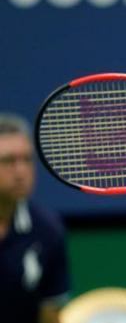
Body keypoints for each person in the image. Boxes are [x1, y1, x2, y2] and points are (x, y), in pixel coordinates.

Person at [0, 113, 70, 323]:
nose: (21, 171)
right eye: (8, 161)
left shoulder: (47, 230)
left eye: (27, 160)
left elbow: (50, 314)